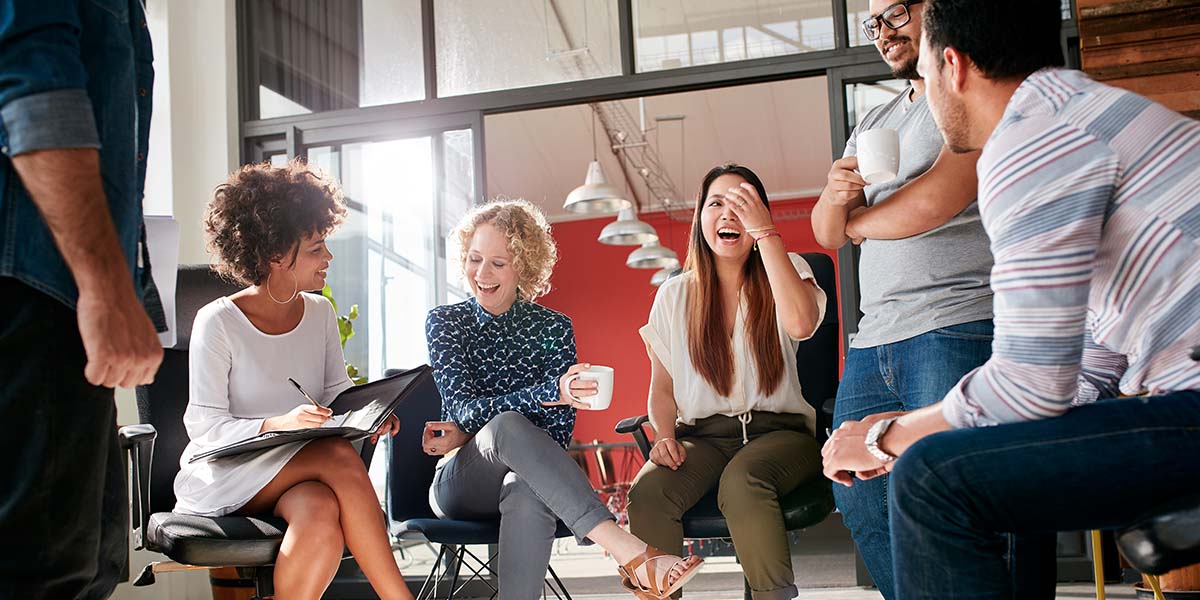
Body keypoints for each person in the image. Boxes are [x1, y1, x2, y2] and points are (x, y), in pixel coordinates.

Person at [822, 1, 1200, 598]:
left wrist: (889, 436)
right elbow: (1095, 355)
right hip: (1177, 398)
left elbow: (1029, 386)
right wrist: (920, 424)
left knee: (933, 476)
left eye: (924, 65)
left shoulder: (1030, 144)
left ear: (953, 65)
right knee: (948, 451)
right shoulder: (1082, 114)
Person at [811, 1, 1054, 596]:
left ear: (934, 12)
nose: (884, 32)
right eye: (874, 25)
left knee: (973, 498)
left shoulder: (964, 95)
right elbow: (823, 231)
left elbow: (938, 199)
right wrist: (837, 198)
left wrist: (857, 222)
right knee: (864, 500)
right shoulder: (874, 121)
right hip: (874, 340)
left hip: (958, 321)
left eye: (895, 13)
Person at [424, 199, 704, 600]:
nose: (482, 274)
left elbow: (555, 436)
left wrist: (485, 428)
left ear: (524, 265)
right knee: (505, 426)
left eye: (498, 263)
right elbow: (466, 410)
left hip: (529, 479)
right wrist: (548, 394)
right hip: (461, 483)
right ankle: (628, 549)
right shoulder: (446, 322)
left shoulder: (554, 327)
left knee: (524, 487)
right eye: (474, 259)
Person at [173, 161, 411, 600]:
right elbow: (204, 428)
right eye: (317, 248)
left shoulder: (320, 311)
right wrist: (278, 423)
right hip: (225, 474)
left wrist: (371, 415)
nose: (329, 258)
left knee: (320, 515)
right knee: (338, 458)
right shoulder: (218, 321)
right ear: (276, 255)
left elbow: (337, 395)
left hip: (296, 470)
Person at [0, 3, 166, 598]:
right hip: (34, 288)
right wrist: (104, 285)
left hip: (59, 297)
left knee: (89, 567)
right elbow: (33, 88)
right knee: (42, 574)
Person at [627, 164, 827, 600]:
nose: (727, 213)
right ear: (700, 218)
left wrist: (767, 235)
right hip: (704, 437)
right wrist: (663, 435)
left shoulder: (786, 269)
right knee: (647, 492)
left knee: (743, 479)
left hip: (781, 435)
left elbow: (801, 322)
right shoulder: (674, 295)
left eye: (742, 204)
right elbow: (662, 385)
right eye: (716, 203)